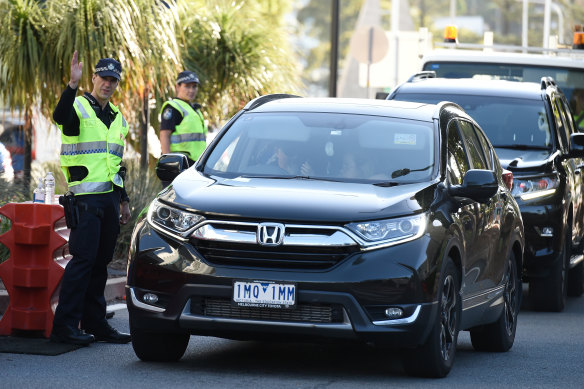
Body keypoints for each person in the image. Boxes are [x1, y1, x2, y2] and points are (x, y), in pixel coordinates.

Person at [51, 51, 132, 346]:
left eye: (113, 80)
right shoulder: (79, 108)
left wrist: (123, 200)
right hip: (85, 200)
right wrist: (72, 85)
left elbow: (116, 164)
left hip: (109, 200)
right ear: (94, 78)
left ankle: (97, 324)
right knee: (83, 262)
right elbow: (60, 116)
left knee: (101, 264)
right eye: (103, 78)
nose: (107, 84)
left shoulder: (117, 116)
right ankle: (65, 326)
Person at [159, 71, 207, 186]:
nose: (191, 90)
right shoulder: (173, 107)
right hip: (178, 165)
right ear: (177, 87)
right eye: (187, 86)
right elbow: (164, 135)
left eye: (194, 87)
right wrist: (168, 164)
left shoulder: (195, 110)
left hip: (195, 165)